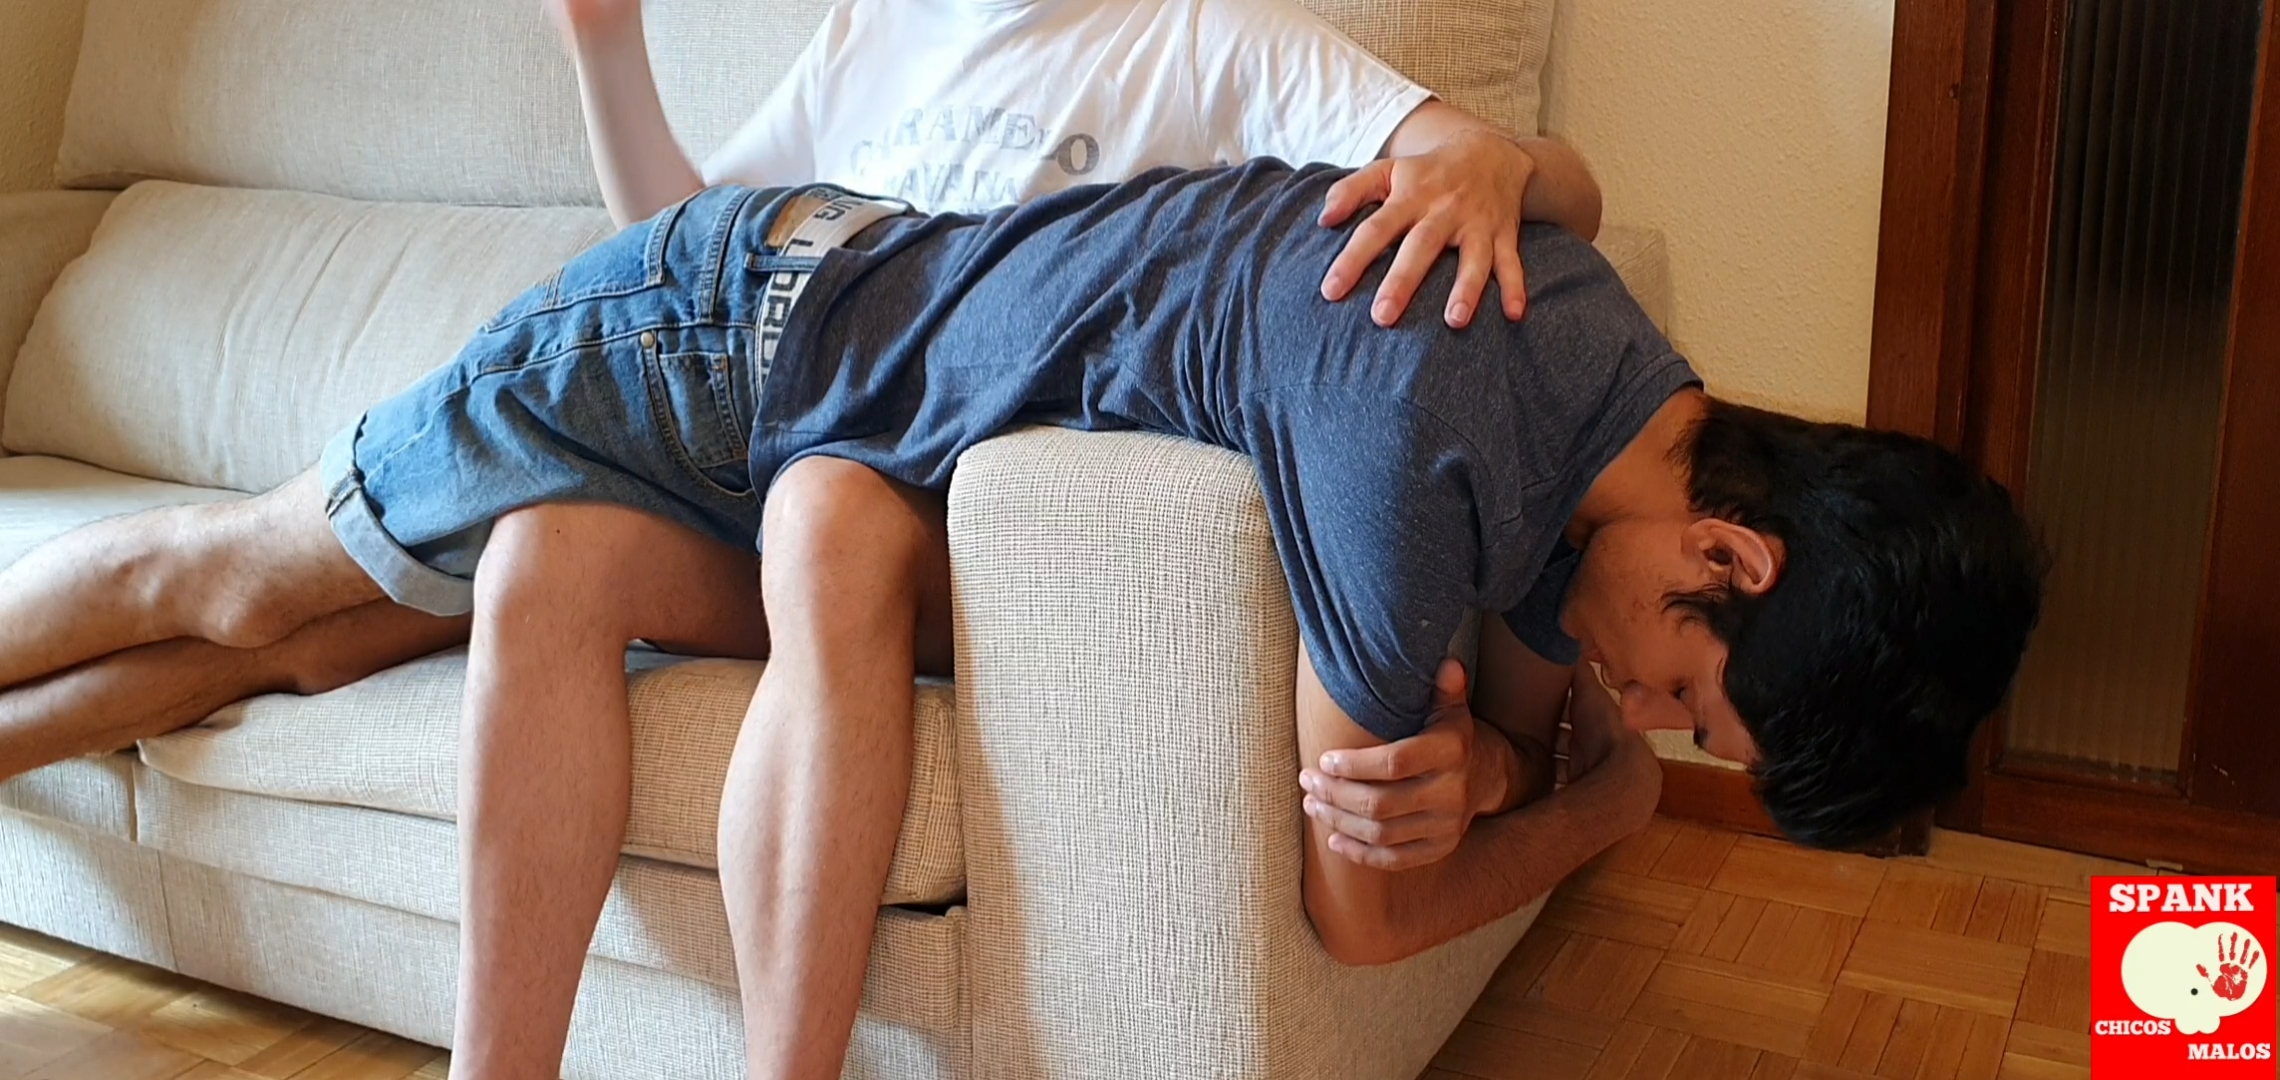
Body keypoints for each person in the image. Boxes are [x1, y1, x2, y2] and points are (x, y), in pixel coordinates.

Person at [0, 160, 2047, 1077]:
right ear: (1730, 557)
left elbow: (1502, 706)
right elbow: (1363, 913)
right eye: (1689, 697)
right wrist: (1589, 812)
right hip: (725, 334)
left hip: (838, 450)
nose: (1641, 711)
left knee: (337, 640)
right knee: (243, 576)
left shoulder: (1600, 353)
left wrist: (1517, 766)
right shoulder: (1413, 430)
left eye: (1676, 732)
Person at [1, 1, 1607, 1074]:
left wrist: (1498, 156)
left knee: (812, 507)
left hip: (933, 516)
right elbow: (679, 242)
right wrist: (607, 48)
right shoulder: (882, 23)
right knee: (445, 580)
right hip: (724, 432)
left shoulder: (1203, 32)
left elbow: (1544, 191)